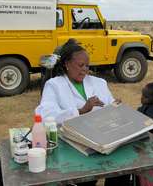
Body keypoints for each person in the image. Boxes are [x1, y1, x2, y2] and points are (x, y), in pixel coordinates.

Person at [36, 39, 116, 186]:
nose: (85, 69)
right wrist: (81, 110)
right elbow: (45, 116)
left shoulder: (99, 83)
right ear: (66, 64)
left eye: (87, 65)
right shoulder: (54, 85)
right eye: (80, 65)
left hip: (103, 141)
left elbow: (110, 105)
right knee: (84, 180)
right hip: (72, 147)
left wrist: (116, 107)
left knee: (121, 172)